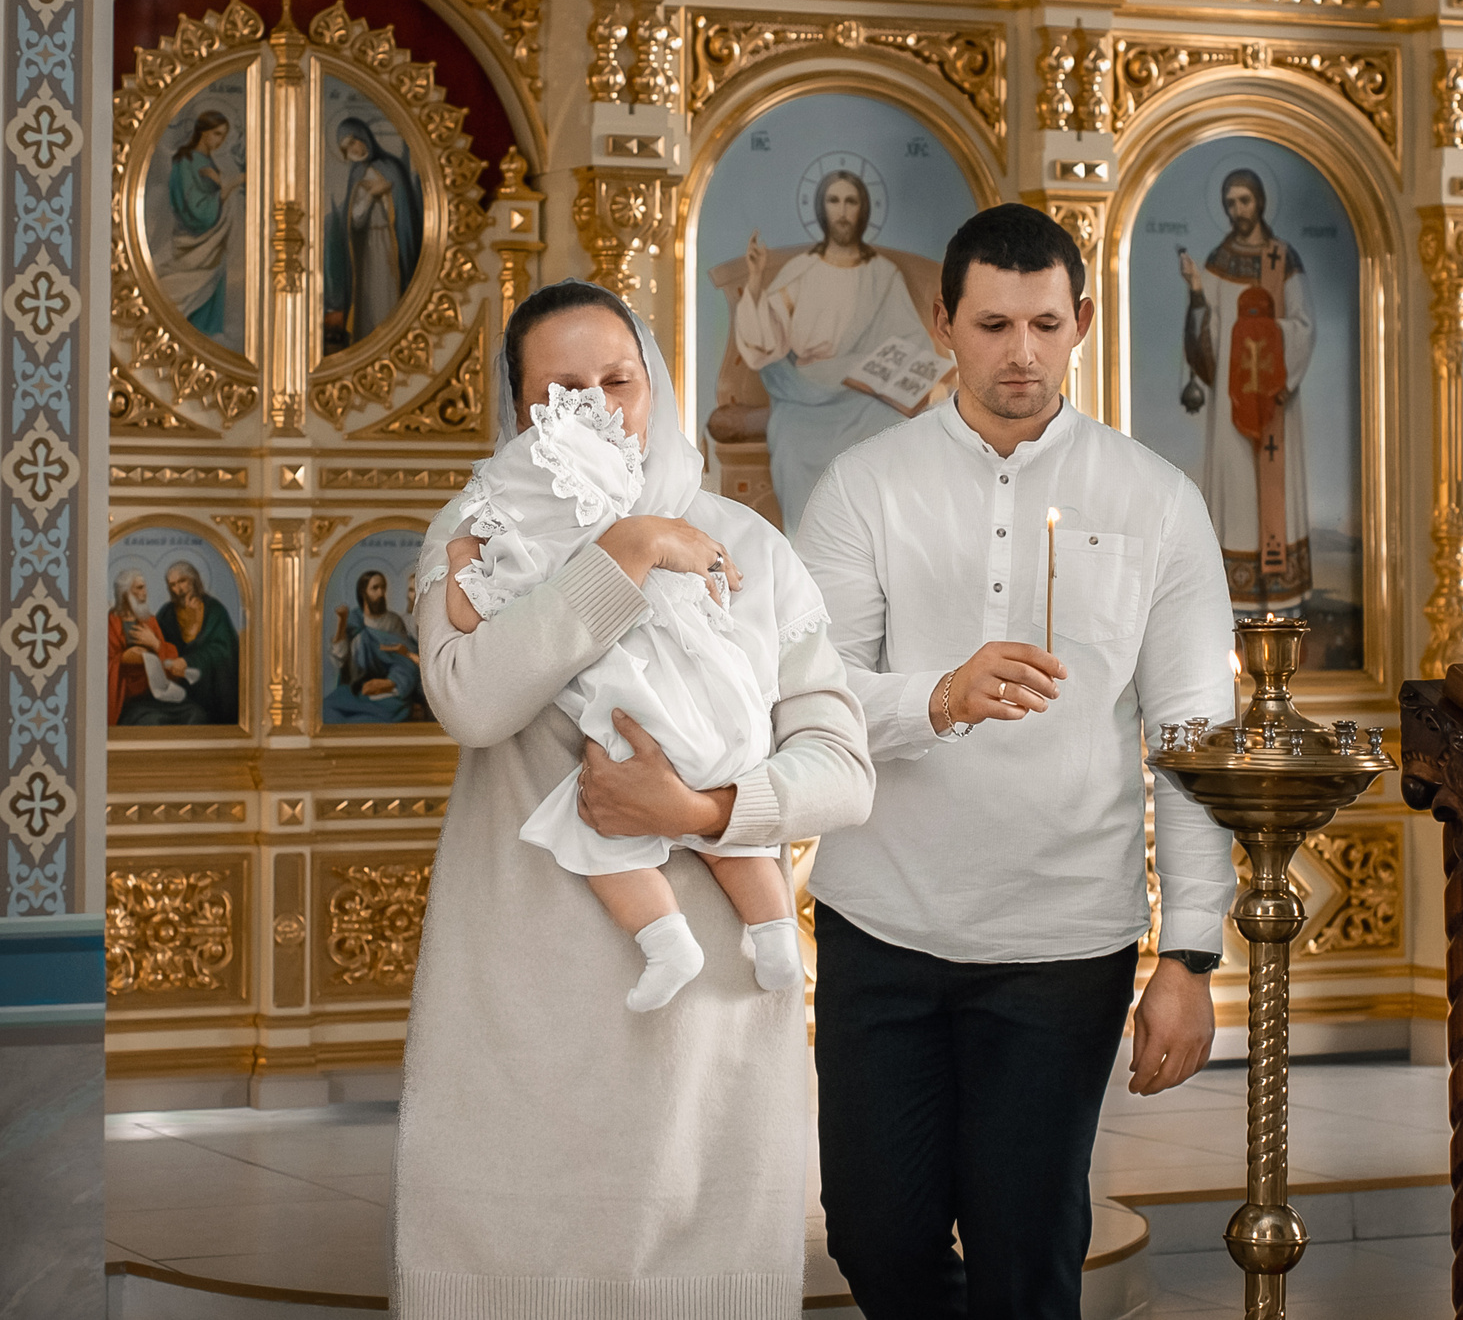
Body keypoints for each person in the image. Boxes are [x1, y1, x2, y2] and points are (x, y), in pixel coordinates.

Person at [394, 279, 873, 1315]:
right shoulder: (474, 528)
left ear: (655, 383)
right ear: (517, 408)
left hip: (709, 1008)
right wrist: (627, 550)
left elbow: (841, 764)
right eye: (563, 388)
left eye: (620, 379)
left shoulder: (750, 545)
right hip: (524, 991)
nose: (602, 408)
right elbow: (472, 699)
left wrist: (701, 811)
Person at [794, 204, 1236, 1320]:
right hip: (880, 923)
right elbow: (802, 693)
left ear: (1083, 322)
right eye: (993, 323)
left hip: (1063, 939)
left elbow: (1189, 736)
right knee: (874, 1232)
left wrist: (1188, 953)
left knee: (1025, 1247)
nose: (1021, 353)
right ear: (944, 322)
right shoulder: (863, 486)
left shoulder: (1156, 501)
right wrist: (936, 696)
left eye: (1046, 322)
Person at [445, 380, 804, 1013]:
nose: (595, 402)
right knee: (738, 842)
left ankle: (667, 944)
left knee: (597, 832)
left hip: (641, 725)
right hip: (730, 720)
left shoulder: (531, 551)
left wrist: (461, 558)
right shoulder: (686, 532)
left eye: (616, 380)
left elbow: (473, 621)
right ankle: (776, 937)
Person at [731, 169, 943, 531]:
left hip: (867, 395)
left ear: (863, 210)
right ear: (821, 209)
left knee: (894, 432)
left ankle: (873, 542)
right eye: (834, 201)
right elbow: (765, 341)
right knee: (792, 442)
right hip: (809, 394)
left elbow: (912, 342)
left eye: (851, 201)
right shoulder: (803, 270)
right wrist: (754, 280)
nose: (842, 211)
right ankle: (809, 545)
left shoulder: (883, 274)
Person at [1179, 168, 1314, 610]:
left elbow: (1303, 325)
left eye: (1245, 201)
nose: (1238, 210)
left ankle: (1281, 598)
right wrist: (1198, 292)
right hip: (1230, 408)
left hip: (1275, 402)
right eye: (1231, 203)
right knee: (1235, 488)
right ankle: (1233, 601)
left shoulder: (1282, 259)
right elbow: (1211, 332)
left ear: (1260, 202)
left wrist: (1260, 334)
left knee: (1274, 490)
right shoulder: (1219, 260)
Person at [322, 118, 422, 353]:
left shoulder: (392, 168)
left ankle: (393, 343)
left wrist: (387, 196)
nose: (354, 150)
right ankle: (367, 344)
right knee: (368, 296)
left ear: (364, 138)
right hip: (366, 248)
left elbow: (405, 210)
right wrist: (371, 195)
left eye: (354, 143)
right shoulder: (356, 175)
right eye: (347, 148)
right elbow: (354, 219)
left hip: (390, 242)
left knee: (388, 292)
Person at [158, 111, 242, 344]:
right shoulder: (185, 162)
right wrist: (229, 185)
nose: (220, 140)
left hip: (215, 247)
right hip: (195, 243)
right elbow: (195, 210)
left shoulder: (209, 163)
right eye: (217, 134)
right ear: (203, 132)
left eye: (223, 136)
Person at [324, 569, 424, 724]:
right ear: (363, 592)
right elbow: (339, 659)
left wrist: (390, 683)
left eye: (383, 587)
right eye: (375, 588)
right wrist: (342, 622)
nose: (381, 592)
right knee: (328, 710)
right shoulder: (354, 620)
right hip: (356, 686)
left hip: (389, 689)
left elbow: (405, 658)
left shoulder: (393, 621)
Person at [110, 569, 204, 727]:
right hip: (129, 700)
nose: (145, 592)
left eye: (145, 587)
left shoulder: (149, 621)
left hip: (158, 695)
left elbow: (168, 665)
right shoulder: (112, 623)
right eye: (140, 588)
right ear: (125, 592)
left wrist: (156, 644)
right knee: (153, 722)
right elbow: (102, 664)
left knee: (196, 714)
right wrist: (123, 658)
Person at [156, 560, 238, 725]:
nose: (178, 589)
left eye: (182, 581)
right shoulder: (167, 613)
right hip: (177, 686)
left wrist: (189, 661)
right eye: (172, 585)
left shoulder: (214, 610)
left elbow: (223, 650)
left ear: (193, 579)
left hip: (211, 686)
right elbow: (160, 646)